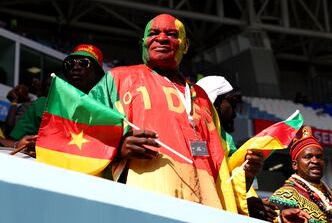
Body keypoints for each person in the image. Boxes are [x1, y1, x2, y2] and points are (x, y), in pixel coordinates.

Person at [89, 13, 263, 213]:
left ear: (185, 45)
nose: (161, 38)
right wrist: (117, 147)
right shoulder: (118, 79)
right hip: (147, 203)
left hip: (205, 207)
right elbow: (81, 127)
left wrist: (246, 171)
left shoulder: (202, 97)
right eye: (153, 33)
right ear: (143, 43)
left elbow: (221, 160)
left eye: (171, 34)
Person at [197, 75, 277, 221]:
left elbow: (233, 183)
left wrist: (251, 198)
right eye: (232, 103)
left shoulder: (227, 139)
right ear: (213, 100)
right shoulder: (194, 131)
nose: (234, 113)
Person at [0, 44, 105, 153]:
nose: (75, 67)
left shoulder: (105, 114)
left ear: (97, 75)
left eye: (84, 63)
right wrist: (21, 145)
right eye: (70, 64)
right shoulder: (43, 105)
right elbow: (14, 142)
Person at [270, 126, 332, 223]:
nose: (315, 161)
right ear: (295, 165)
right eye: (308, 157)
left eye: (319, 157)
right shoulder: (285, 194)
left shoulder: (330, 195)